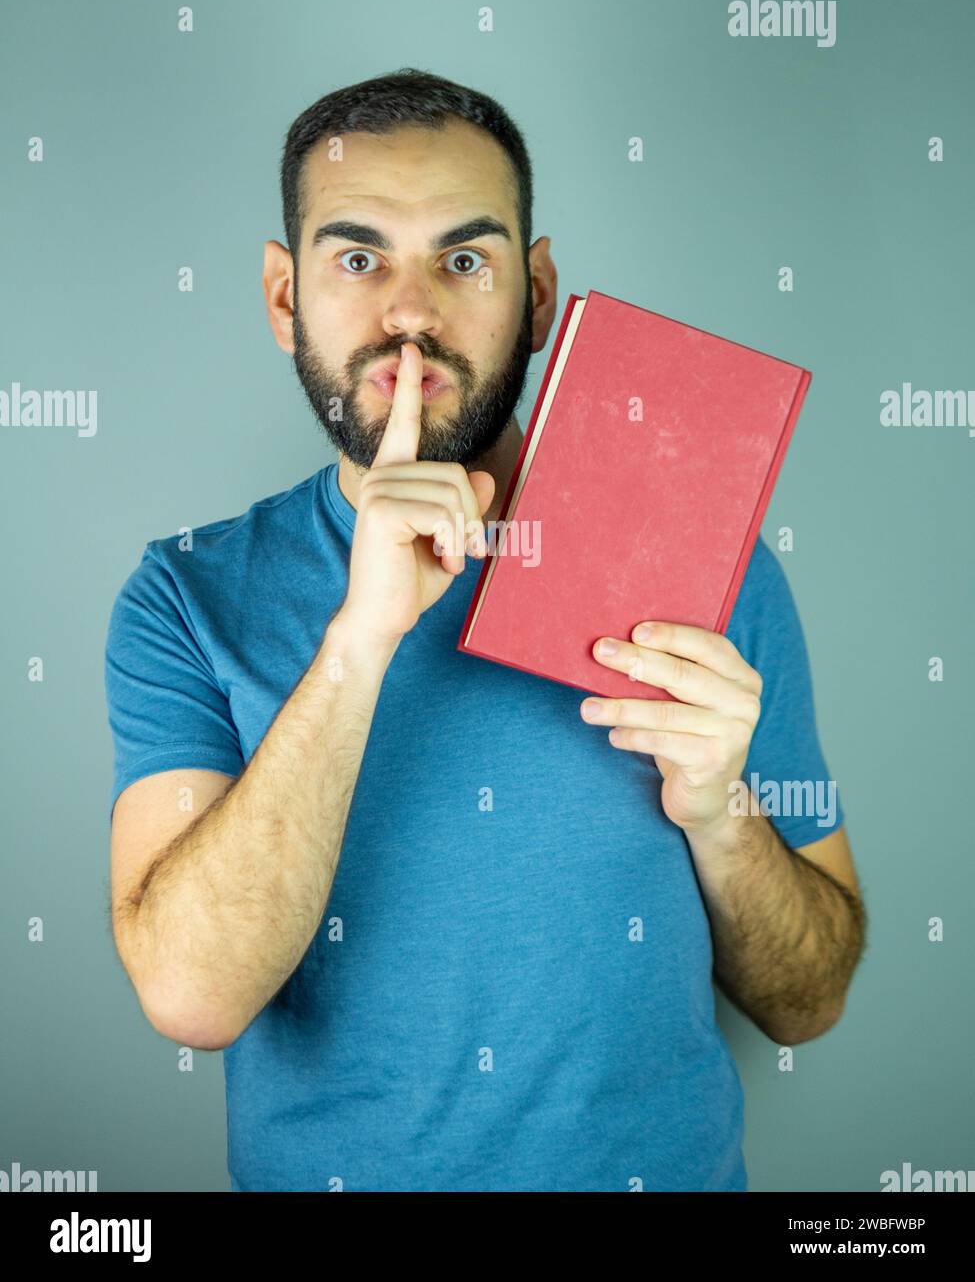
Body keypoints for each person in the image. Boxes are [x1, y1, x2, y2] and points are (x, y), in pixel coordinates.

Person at [105, 67, 865, 1192]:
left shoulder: (716, 568)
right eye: (358, 258)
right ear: (283, 299)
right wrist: (360, 641)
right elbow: (192, 996)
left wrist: (722, 817)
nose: (410, 313)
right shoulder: (184, 594)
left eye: (465, 261)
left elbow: (811, 1000)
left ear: (541, 292)